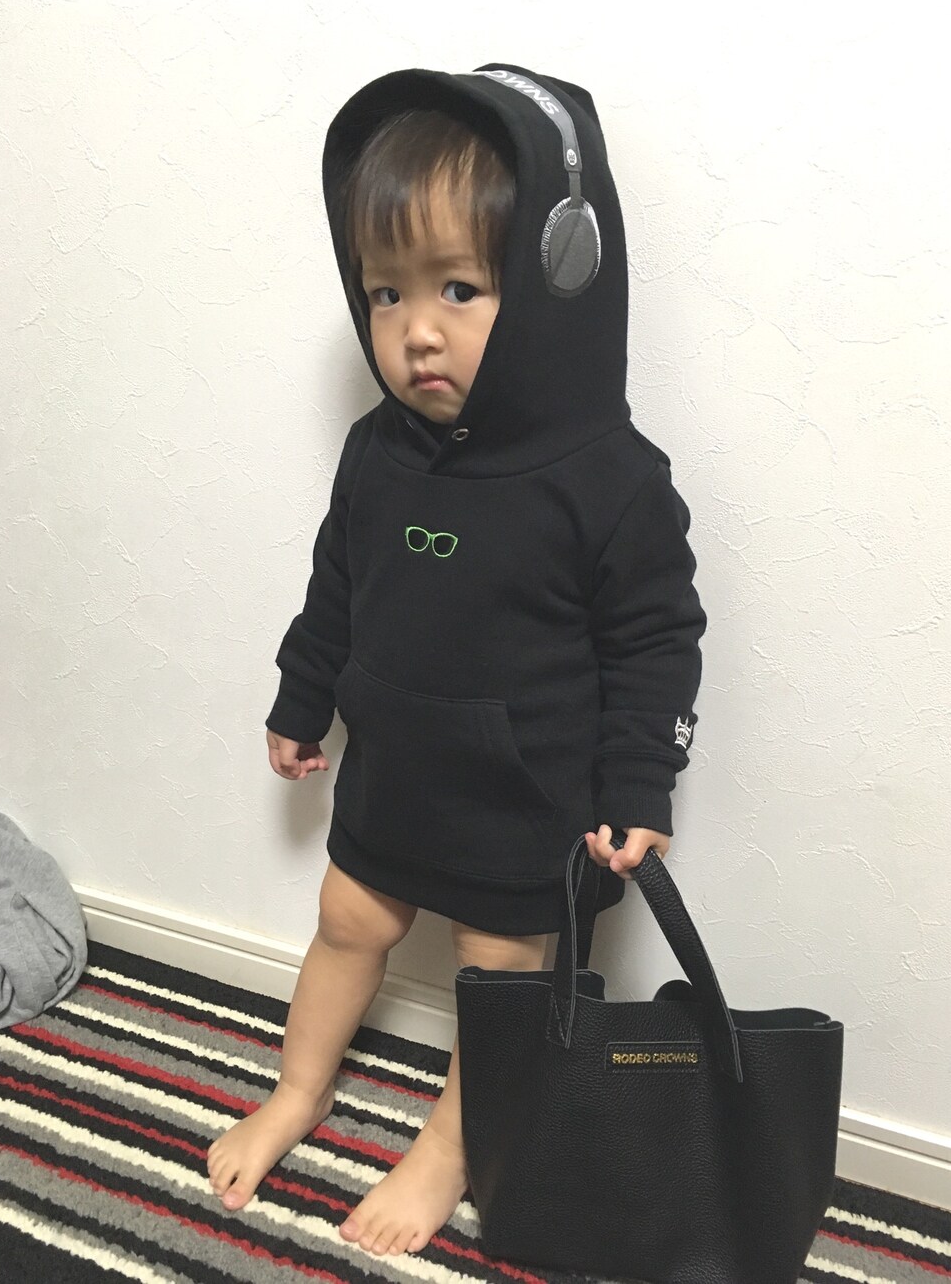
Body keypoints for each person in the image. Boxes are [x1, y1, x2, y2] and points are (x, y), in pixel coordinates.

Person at [207, 63, 706, 1258]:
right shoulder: (376, 452)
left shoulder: (610, 478)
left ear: (560, 281)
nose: (414, 330)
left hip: (523, 801)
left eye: (460, 288)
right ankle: (296, 1090)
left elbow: (655, 642)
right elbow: (338, 585)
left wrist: (640, 785)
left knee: (500, 975)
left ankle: (448, 1145)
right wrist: (301, 697)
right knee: (345, 918)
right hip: (394, 773)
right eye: (385, 292)